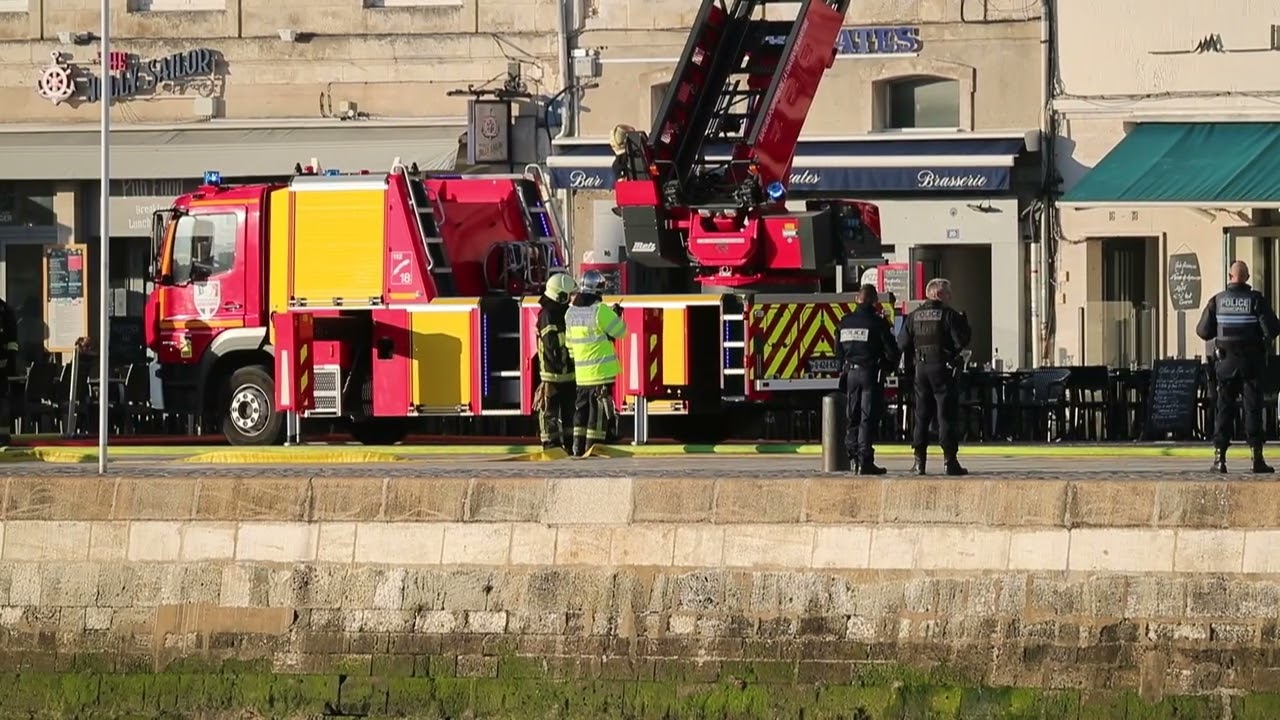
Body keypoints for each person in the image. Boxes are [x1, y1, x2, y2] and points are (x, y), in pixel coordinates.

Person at [1195, 260, 1280, 473]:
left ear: (1229, 276)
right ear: (1247, 278)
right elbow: (1273, 329)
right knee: (1252, 409)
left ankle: (1219, 459)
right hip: (1251, 364)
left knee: (1224, 409)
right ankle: (1257, 459)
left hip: (1225, 364)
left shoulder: (1217, 300)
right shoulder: (1255, 300)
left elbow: (1203, 331)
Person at [897, 277, 972, 476]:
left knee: (921, 415)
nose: (950, 297)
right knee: (945, 414)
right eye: (948, 293)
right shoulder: (949, 315)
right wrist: (964, 324)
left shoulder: (913, 316)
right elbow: (961, 341)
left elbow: (902, 343)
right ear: (938, 294)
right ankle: (950, 461)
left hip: (921, 369)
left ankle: (919, 462)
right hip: (942, 368)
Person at [836, 284, 900, 474]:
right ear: (875, 302)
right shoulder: (878, 323)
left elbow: (838, 351)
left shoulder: (844, 322)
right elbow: (892, 352)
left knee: (852, 416)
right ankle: (865, 461)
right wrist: (888, 367)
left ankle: (853, 457)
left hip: (850, 373)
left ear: (857, 299)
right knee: (867, 417)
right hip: (870, 374)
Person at [564, 270, 627, 456]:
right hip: (601, 374)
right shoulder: (600, 311)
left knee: (581, 412)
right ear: (599, 290)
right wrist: (616, 315)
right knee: (597, 415)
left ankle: (577, 448)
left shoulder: (570, 313)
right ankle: (593, 448)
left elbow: (569, 345)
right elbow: (621, 332)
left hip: (582, 376)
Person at [534, 273, 578, 452]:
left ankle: (570, 443)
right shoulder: (547, 314)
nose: (572, 299)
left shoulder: (563, 312)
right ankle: (550, 444)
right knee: (549, 411)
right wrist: (571, 338)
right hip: (551, 373)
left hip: (568, 372)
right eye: (569, 295)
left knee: (570, 411)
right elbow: (551, 343)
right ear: (560, 296)